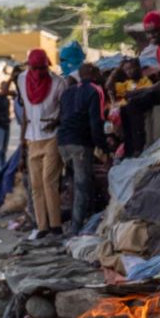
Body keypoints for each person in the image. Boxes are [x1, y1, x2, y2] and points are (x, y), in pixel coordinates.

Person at [17, 48, 64, 239]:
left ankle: (56, 225)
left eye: (42, 68)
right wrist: (22, 141)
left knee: (48, 181)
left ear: (47, 66)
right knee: (35, 185)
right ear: (29, 67)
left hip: (52, 136)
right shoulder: (21, 80)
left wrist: (57, 120)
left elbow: (64, 109)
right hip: (32, 137)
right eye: (34, 68)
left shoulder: (58, 83)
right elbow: (26, 113)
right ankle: (42, 226)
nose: (38, 73)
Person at [58, 63, 107, 233]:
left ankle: (85, 219)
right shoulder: (95, 90)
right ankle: (76, 229)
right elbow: (96, 123)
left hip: (63, 142)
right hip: (80, 143)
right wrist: (104, 148)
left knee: (78, 183)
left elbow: (62, 116)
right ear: (93, 73)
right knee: (81, 186)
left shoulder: (68, 92)